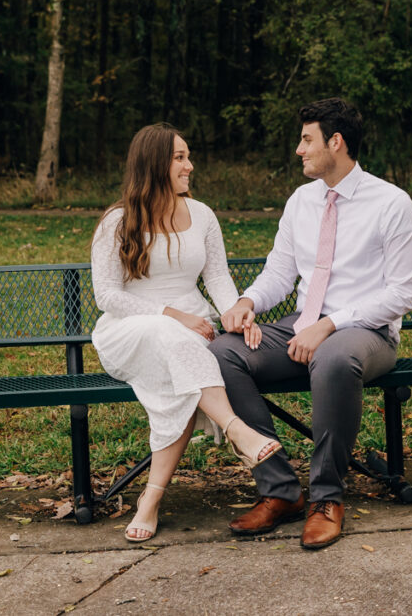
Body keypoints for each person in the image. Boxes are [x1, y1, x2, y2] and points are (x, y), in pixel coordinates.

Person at [209, 98, 412, 550]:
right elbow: (281, 272)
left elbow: (401, 295)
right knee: (223, 354)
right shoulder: (302, 201)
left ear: (336, 142)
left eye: (307, 139)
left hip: (367, 333)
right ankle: (281, 489)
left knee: (332, 358)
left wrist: (329, 325)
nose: (298, 150)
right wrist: (247, 301)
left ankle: (326, 497)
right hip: (302, 324)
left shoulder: (391, 203)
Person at [90, 123, 281, 543]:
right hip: (130, 329)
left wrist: (236, 312)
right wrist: (170, 313)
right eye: (179, 157)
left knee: (183, 368)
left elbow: (216, 276)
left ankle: (151, 500)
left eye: (187, 156)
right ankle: (236, 430)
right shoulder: (117, 221)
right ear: (154, 163)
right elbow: (107, 295)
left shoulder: (203, 215)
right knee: (174, 341)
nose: (189, 165)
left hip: (191, 327)